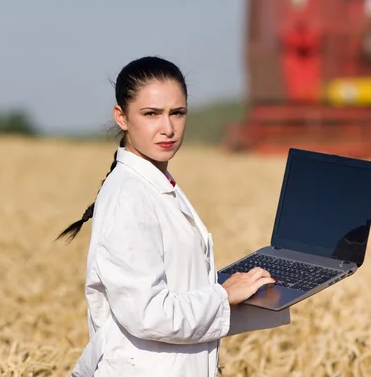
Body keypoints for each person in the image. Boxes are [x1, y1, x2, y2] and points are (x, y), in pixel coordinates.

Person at [58, 56, 289, 377]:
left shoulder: (157, 183)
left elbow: (181, 294)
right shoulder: (129, 197)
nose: (167, 128)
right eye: (151, 114)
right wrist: (224, 295)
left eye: (177, 113)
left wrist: (261, 295)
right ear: (121, 117)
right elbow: (148, 314)